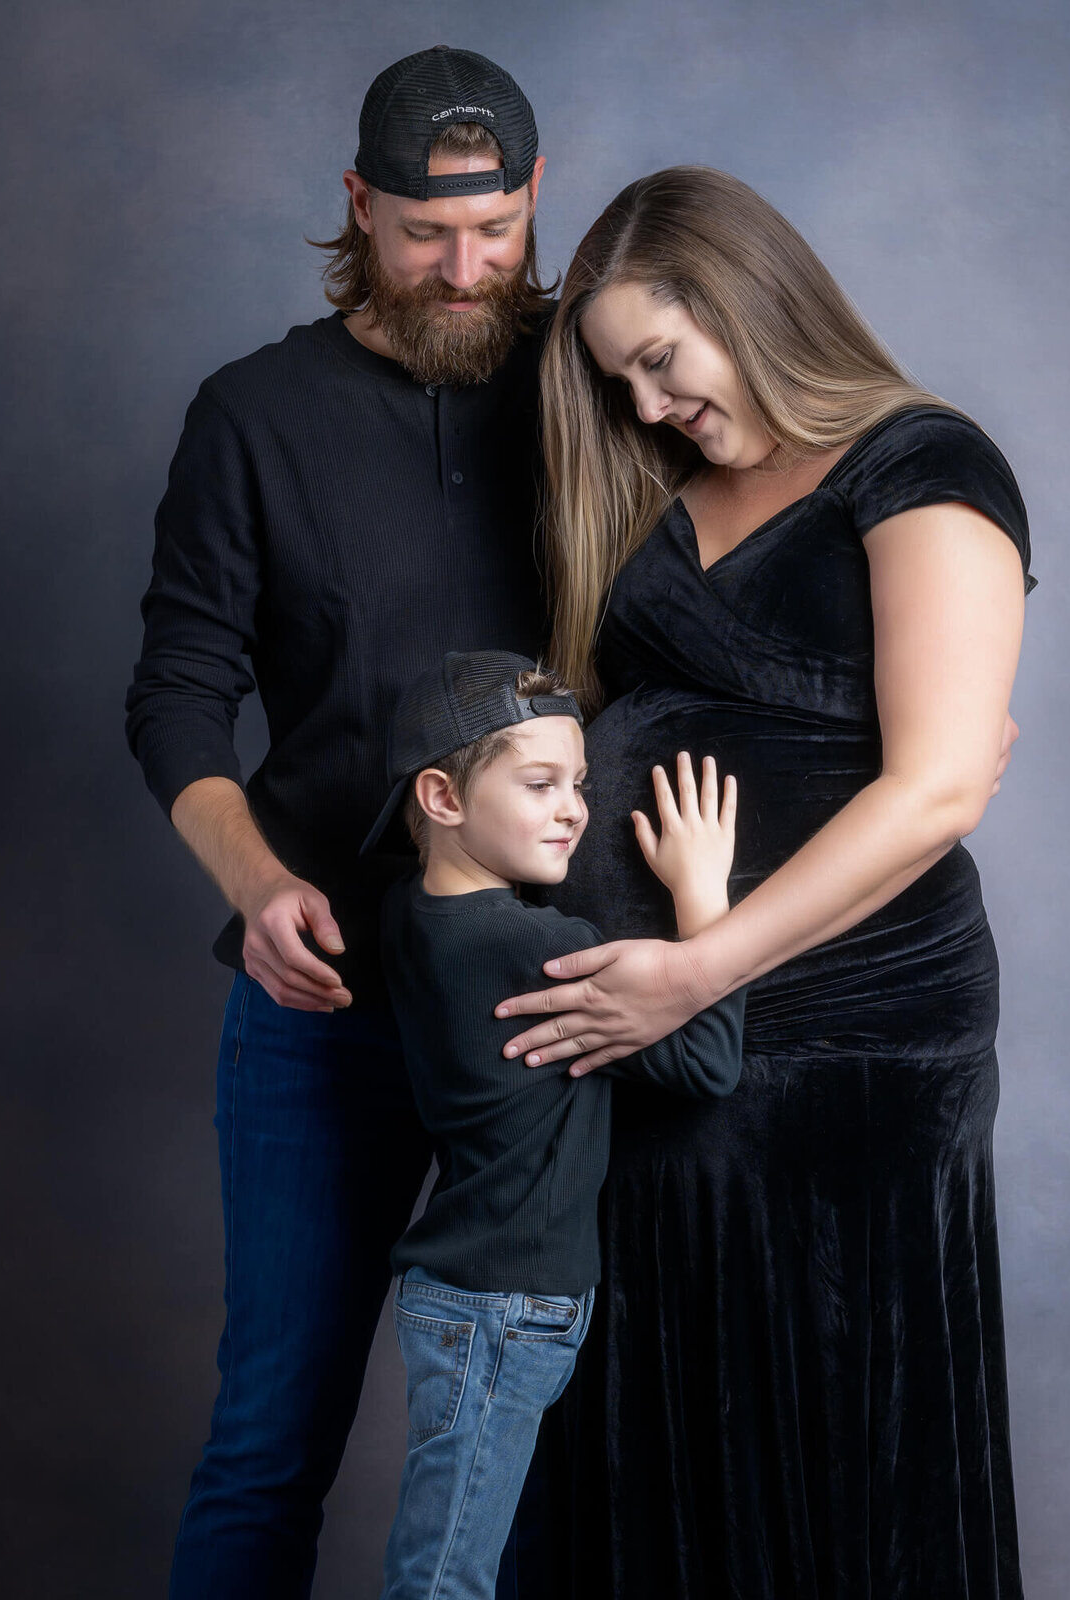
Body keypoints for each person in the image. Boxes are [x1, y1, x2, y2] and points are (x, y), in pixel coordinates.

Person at [495, 167, 1036, 1598]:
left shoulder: (920, 463)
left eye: (661, 362)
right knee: (664, 1434)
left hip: (840, 1032)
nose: (651, 407)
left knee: (824, 1421)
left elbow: (932, 785)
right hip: (660, 1035)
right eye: (623, 385)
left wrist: (698, 968)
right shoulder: (670, 481)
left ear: (746, 297)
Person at [125, 46, 556, 1600]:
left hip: (558, 1005)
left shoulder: (598, 377)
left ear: (534, 200)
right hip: (328, 1004)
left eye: (495, 230)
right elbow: (176, 693)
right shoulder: (251, 414)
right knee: (272, 1440)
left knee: (564, 1439)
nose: (464, 270)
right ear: (358, 207)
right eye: (426, 231)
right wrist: (257, 888)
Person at [365, 648, 744, 1599]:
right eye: (540, 784)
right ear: (444, 799)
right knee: (446, 1576)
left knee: (468, 1556)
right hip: (504, 1307)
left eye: (576, 782)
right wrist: (703, 893)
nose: (574, 807)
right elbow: (707, 1063)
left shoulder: (412, 916)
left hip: (472, 1297)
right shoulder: (537, 945)